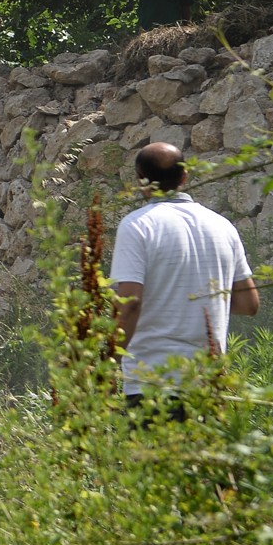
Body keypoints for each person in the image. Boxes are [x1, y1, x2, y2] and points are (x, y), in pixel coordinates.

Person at [110, 142, 259, 410]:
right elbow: (249, 304)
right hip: (209, 383)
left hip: (153, 382)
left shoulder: (137, 225)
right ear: (184, 176)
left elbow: (130, 302)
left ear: (140, 181)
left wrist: (108, 361)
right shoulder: (222, 226)